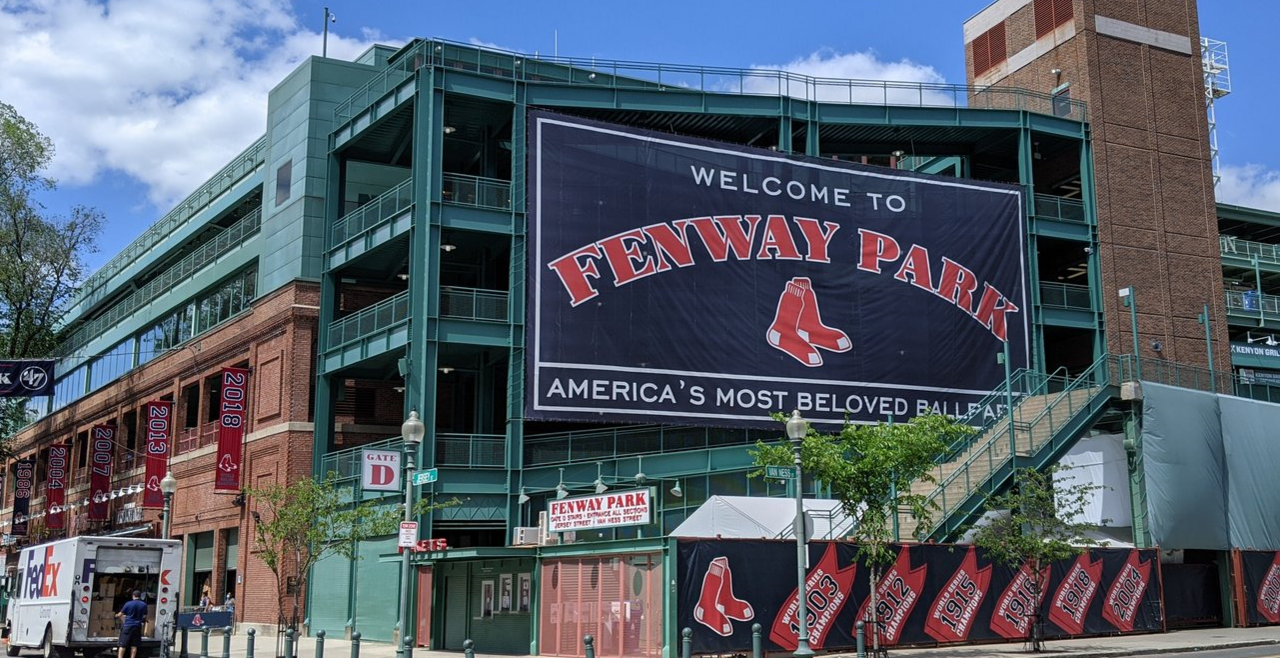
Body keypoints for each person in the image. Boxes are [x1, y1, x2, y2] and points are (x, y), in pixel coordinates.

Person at [115, 589, 148, 658]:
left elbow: (121, 614)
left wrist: (116, 615)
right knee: (134, 645)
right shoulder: (144, 605)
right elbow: (144, 616)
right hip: (137, 626)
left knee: (123, 645)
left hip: (128, 626)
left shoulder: (128, 603)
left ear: (133, 596)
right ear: (140, 596)